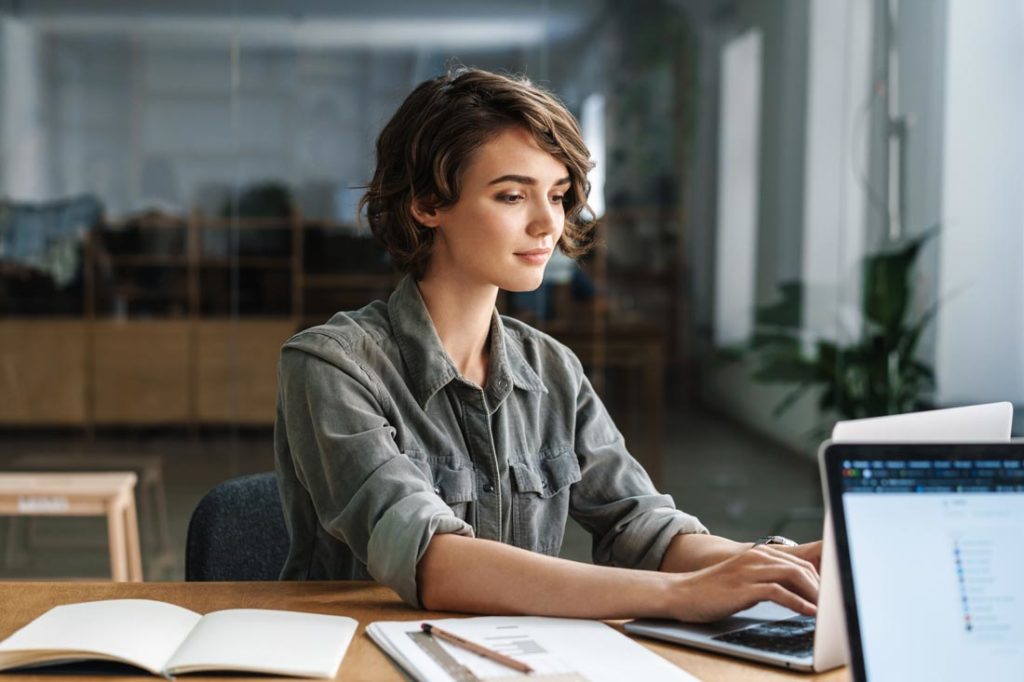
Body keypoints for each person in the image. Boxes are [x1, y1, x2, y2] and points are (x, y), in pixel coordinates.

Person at [274, 67, 821, 622]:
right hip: (360, 658)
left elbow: (641, 527)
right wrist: (681, 595)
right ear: (427, 203)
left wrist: (784, 566)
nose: (548, 224)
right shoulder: (330, 365)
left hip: (516, 656)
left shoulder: (553, 368)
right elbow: (433, 560)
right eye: (512, 195)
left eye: (558, 196)